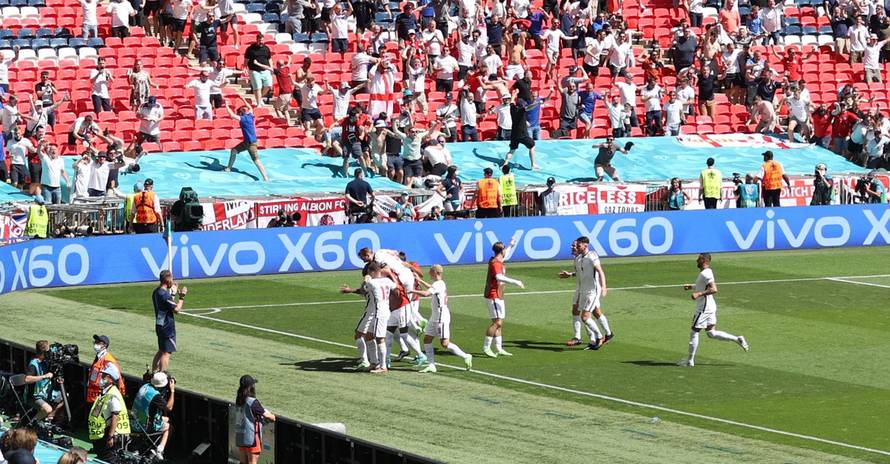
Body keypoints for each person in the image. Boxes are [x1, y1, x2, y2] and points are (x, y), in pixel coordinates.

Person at [678, 253, 749, 367]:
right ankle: (737, 339)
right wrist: (691, 287)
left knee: (694, 332)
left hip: (704, 307)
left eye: (699, 259)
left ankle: (690, 361)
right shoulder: (705, 273)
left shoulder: (706, 273)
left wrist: (699, 293)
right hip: (710, 305)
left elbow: (714, 289)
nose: (697, 260)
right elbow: (703, 286)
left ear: (704, 260)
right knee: (711, 333)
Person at [410, 265, 473, 373]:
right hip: (435, 317)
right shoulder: (439, 283)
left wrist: (411, 290)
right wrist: (419, 280)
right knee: (427, 339)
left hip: (441, 317)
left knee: (444, 343)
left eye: (430, 271)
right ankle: (431, 365)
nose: (429, 273)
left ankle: (466, 356)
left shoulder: (438, 284)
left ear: (435, 272)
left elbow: (426, 293)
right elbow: (431, 287)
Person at [340, 261, 395, 372]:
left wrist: (366, 279)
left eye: (369, 272)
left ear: (372, 271)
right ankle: (374, 362)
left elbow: (363, 289)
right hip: (381, 312)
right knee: (369, 336)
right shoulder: (387, 281)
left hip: (379, 313)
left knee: (380, 338)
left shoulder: (372, 283)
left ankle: (383, 366)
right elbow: (395, 286)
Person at [559, 236, 612, 350]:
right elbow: (581, 273)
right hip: (583, 290)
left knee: (585, 317)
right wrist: (570, 275)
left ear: (585, 245)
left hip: (592, 291)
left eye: (578, 245)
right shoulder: (578, 258)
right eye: (575, 245)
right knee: (596, 313)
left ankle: (598, 337)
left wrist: (604, 287)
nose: (575, 247)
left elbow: (600, 271)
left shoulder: (592, 255)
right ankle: (607, 335)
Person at [482, 239, 524, 358]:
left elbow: (507, 253)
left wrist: (511, 244)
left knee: (499, 323)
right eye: (504, 249)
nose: (506, 251)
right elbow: (499, 277)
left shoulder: (499, 260)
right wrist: (516, 282)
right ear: (501, 251)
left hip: (498, 295)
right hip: (493, 295)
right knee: (497, 322)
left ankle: (499, 348)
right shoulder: (496, 263)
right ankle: (486, 347)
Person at [88, 363, 131, 461]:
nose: (101, 378)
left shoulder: (113, 395)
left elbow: (115, 417)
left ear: (111, 379)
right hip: (101, 434)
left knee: (108, 459)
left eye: (104, 376)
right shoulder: (105, 392)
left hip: (108, 435)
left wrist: (110, 437)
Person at [224, 95, 270, 182]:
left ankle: (265, 177)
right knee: (234, 150)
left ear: (240, 114)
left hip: (251, 143)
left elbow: (231, 115)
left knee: (256, 160)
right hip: (246, 142)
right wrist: (243, 99)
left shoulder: (244, 119)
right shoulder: (250, 115)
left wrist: (226, 105)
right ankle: (228, 168)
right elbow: (249, 107)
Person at [152, 270, 188, 373]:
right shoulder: (164, 295)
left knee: (161, 350)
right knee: (166, 353)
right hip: (167, 326)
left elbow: (167, 303)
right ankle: (162, 374)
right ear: (168, 280)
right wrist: (181, 297)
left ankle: (154, 373)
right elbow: (176, 309)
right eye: (171, 279)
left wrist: (172, 293)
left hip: (159, 324)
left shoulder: (156, 292)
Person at [133, 371, 175, 460]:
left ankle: (150, 447)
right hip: (145, 426)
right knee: (169, 427)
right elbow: (169, 407)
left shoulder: (145, 386)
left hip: (135, 420)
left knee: (167, 419)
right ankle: (159, 450)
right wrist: (172, 390)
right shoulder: (155, 396)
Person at [235, 375, 276, 464]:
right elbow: (267, 416)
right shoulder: (252, 402)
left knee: (242, 462)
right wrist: (273, 416)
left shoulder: (238, 400)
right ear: (250, 387)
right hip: (252, 437)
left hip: (241, 436)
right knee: (252, 462)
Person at [23, 340, 63, 422]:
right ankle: (32, 424)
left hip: (46, 393)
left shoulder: (46, 361)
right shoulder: (34, 364)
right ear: (43, 353)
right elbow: (27, 379)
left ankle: (48, 418)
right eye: (48, 351)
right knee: (47, 409)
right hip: (34, 396)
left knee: (64, 396)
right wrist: (44, 376)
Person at [86, 335, 125, 405]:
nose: (96, 343)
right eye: (95, 342)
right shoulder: (99, 357)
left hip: (101, 398)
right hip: (94, 397)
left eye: (98, 342)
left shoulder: (108, 359)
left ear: (105, 345)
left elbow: (116, 375)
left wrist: (102, 384)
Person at [244, 33, 273, 107]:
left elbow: (269, 59)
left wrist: (271, 68)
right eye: (260, 40)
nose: (261, 42)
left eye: (262, 40)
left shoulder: (266, 48)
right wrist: (245, 68)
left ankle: (260, 98)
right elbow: (246, 59)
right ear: (257, 40)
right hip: (254, 70)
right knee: (258, 87)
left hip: (265, 70)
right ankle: (259, 103)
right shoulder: (250, 49)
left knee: (269, 86)